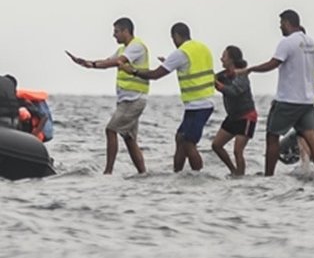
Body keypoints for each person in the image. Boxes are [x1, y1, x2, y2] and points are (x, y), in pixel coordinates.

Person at [242, 10, 314, 182]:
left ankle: (269, 176)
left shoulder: (287, 42)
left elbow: (273, 63)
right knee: (312, 139)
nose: (280, 26)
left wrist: (250, 69)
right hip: (306, 101)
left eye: (281, 23)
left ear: (288, 23)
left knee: (272, 136)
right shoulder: (310, 42)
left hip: (288, 100)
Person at [122, 22, 216, 173]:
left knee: (188, 143)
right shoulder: (202, 48)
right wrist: (169, 62)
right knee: (180, 138)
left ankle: (198, 175)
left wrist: (133, 71)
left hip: (198, 104)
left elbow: (155, 75)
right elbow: (192, 66)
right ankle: (177, 173)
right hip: (203, 102)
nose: (173, 42)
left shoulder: (181, 52)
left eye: (173, 38)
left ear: (176, 36)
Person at [68, 17, 150, 174]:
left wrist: (93, 64)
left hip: (134, 100)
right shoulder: (123, 49)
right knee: (129, 139)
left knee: (110, 130)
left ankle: (108, 172)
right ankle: (143, 173)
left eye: (116, 31)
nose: (114, 35)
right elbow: (108, 61)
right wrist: (88, 63)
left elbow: (118, 62)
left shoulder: (136, 46)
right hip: (127, 100)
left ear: (126, 31)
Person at [211, 46, 257, 176]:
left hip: (247, 117)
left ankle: (240, 177)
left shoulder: (241, 74)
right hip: (232, 117)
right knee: (216, 145)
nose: (221, 59)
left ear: (231, 59)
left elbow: (234, 91)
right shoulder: (224, 75)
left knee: (238, 151)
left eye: (224, 56)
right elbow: (209, 77)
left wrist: (220, 87)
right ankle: (234, 171)